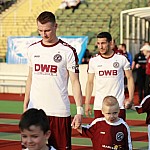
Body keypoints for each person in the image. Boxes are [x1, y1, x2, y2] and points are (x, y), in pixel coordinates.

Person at [23, 11, 83, 150]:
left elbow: (75, 82)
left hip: (59, 112)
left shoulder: (68, 51)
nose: (44, 34)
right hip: (35, 111)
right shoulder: (32, 50)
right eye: (40, 31)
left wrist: (79, 111)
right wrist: (25, 105)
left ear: (56, 26)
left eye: (47, 30)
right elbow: (30, 78)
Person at [85, 32, 134, 120]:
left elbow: (130, 78)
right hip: (100, 105)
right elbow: (90, 82)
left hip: (118, 105)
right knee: (100, 133)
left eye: (103, 43)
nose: (100, 46)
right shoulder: (94, 61)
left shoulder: (121, 59)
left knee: (118, 133)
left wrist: (131, 98)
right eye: (98, 43)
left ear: (110, 43)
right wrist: (87, 102)